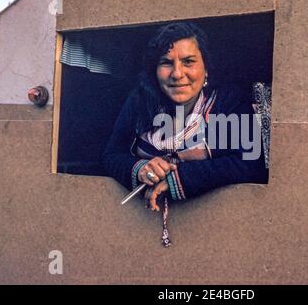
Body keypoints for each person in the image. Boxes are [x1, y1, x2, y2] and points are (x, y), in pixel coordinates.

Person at [102, 22, 268, 247]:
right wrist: (140, 169)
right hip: (138, 236)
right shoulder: (140, 100)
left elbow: (251, 163)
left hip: (220, 235)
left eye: (189, 62)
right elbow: (112, 154)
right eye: (166, 63)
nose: (177, 74)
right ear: (154, 70)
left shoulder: (229, 101)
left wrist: (179, 179)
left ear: (206, 68)